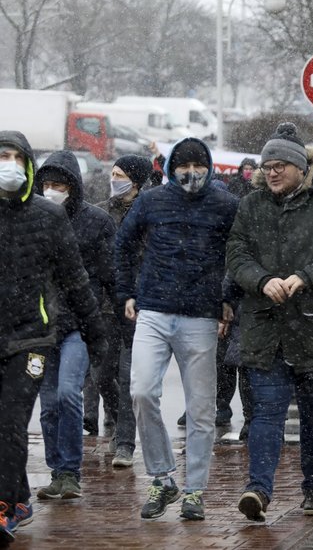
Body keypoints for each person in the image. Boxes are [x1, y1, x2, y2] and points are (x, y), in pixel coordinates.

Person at [228, 124, 313, 521]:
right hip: (266, 329)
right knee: (266, 412)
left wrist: (307, 275)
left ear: (301, 167)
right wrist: (261, 280)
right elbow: (235, 253)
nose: (272, 173)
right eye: (267, 166)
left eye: (281, 166)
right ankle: (258, 489)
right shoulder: (251, 205)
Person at [115, 137, 239, 521]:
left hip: (201, 314)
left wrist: (228, 297)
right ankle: (162, 476)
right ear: (170, 167)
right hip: (153, 308)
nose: (190, 172)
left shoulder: (226, 205)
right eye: (182, 165)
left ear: (209, 166)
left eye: (197, 164)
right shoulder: (151, 201)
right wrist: (126, 292)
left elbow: (240, 253)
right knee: (141, 391)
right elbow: (123, 244)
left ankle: (194, 490)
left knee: (201, 410)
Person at [0, 131, 108, 544]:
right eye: (1, 156)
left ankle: (5, 507)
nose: (8, 163)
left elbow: (76, 280)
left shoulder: (48, 217)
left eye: (15, 157)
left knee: (10, 423)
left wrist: (98, 335)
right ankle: (20, 494)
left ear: (27, 164)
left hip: (31, 339)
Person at [33, 152, 116, 502]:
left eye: (60, 185)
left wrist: (124, 305)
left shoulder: (96, 222)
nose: (53, 191)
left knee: (69, 392)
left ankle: (70, 471)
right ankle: (58, 471)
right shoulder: (32, 218)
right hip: (39, 326)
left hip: (79, 324)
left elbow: (110, 271)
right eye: (47, 184)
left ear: (74, 186)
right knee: (49, 403)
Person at [94, 154, 154, 469]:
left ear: (135, 180)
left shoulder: (149, 213)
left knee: (128, 374)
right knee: (101, 374)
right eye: (112, 173)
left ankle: (125, 443)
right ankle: (117, 415)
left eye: (120, 174)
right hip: (105, 306)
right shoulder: (101, 213)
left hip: (137, 306)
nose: (113, 178)